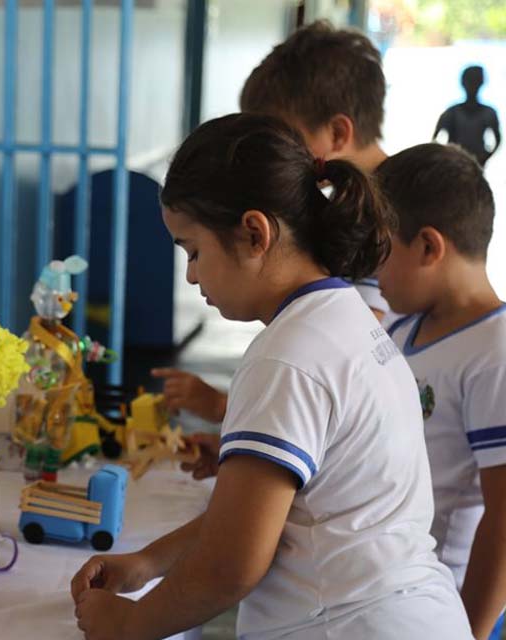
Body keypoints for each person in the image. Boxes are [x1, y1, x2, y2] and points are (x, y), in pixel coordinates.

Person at [70, 113, 470, 640]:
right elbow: (267, 519)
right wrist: (148, 562)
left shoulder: (286, 357)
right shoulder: (342, 317)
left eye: (194, 250)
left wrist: (132, 624)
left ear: (254, 233)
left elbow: (230, 565)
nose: (191, 274)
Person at [154, 22, 395, 429]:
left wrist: (228, 411)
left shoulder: (386, 222)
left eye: (282, 141)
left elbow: (328, 372)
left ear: (337, 132)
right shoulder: (349, 209)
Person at [377, 143, 506, 640]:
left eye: (381, 251)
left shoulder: (493, 353)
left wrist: (469, 630)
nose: (373, 271)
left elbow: (504, 517)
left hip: (441, 607)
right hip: (389, 597)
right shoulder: (401, 328)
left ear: (429, 247)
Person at [434, 66, 502, 167]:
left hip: (474, 164)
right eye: (470, 81)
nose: (472, 86)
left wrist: (484, 157)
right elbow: (435, 139)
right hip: (455, 164)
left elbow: (498, 139)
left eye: (475, 81)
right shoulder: (452, 112)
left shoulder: (488, 113)